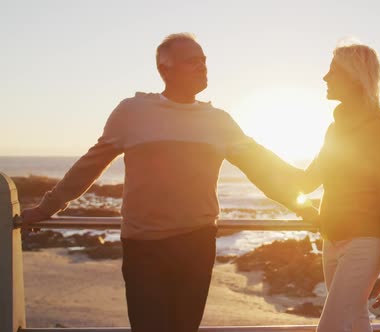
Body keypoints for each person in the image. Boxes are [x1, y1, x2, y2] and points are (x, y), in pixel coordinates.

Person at [21, 32, 315, 332]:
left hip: (196, 244)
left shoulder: (219, 121)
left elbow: (262, 168)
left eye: (203, 60)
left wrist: (300, 204)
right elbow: (88, 167)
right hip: (142, 247)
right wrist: (46, 209)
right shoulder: (131, 112)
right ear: (165, 69)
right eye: (192, 61)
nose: (202, 67)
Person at [297, 44, 380, 332]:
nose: (324, 77)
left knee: (330, 328)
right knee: (355, 321)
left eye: (333, 71)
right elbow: (308, 181)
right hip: (331, 240)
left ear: (355, 78)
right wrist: (252, 155)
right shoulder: (335, 130)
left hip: (364, 244)